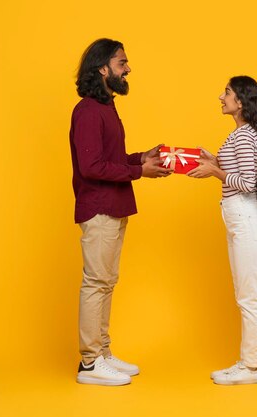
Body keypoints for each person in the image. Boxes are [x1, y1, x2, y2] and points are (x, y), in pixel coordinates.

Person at [69, 38, 172, 386]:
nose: (128, 69)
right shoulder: (86, 111)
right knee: (96, 282)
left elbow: (109, 160)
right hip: (98, 209)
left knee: (107, 282)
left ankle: (103, 352)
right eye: (122, 62)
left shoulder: (106, 108)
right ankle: (89, 363)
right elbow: (92, 167)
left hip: (113, 208)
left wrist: (140, 158)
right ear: (103, 68)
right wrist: (138, 172)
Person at [187, 76, 257, 385]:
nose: (221, 97)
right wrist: (213, 160)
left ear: (240, 101)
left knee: (249, 298)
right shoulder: (242, 134)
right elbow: (241, 172)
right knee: (245, 295)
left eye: (226, 92)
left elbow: (247, 183)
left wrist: (214, 171)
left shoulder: (244, 135)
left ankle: (251, 367)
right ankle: (247, 364)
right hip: (238, 220)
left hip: (245, 219)